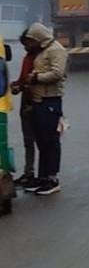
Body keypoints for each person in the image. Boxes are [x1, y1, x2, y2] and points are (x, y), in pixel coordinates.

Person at [21, 22, 68, 197]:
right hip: (39, 100)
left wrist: (37, 78)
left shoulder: (56, 50)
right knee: (41, 140)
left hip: (50, 100)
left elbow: (58, 73)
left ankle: (52, 178)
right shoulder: (43, 50)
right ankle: (42, 177)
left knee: (50, 141)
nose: (30, 45)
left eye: (31, 41)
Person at [9, 30, 37, 189]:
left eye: (27, 44)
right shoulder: (28, 57)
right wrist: (17, 85)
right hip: (26, 100)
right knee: (28, 140)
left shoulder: (40, 58)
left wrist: (22, 86)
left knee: (39, 140)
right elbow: (23, 79)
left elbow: (34, 80)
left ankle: (42, 175)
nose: (26, 47)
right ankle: (29, 172)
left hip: (34, 103)